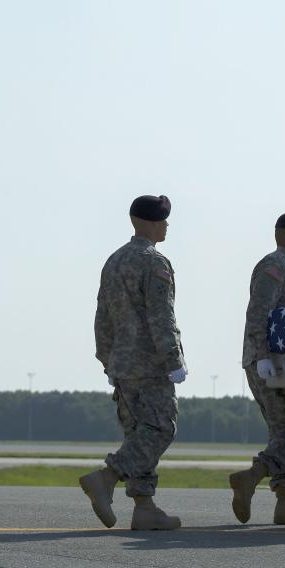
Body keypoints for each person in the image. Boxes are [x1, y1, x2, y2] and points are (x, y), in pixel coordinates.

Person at [80, 195, 187, 531]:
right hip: (150, 363)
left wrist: (107, 357)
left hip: (122, 364)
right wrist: (174, 358)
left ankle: (144, 507)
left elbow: (102, 315)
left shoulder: (114, 261)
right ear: (153, 223)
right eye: (164, 220)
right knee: (160, 429)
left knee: (138, 433)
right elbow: (161, 315)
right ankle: (107, 477)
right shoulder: (154, 262)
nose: (167, 226)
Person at [228, 212, 285, 526]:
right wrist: (264, 355)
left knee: (283, 432)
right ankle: (252, 476)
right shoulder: (275, 267)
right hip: (271, 363)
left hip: (280, 363)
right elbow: (259, 312)